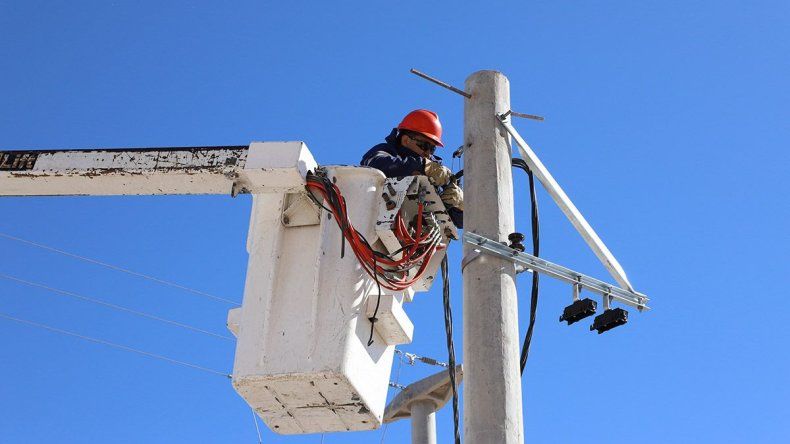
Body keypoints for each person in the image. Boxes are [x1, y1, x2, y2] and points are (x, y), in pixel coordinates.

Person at [360, 109, 463, 228]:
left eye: (432, 149)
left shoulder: (435, 177)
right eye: (425, 146)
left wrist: (459, 206)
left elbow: (457, 222)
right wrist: (422, 165)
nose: (428, 153)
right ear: (405, 140)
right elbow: (375, 165)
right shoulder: (386, 151)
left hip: (417, 241)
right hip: (374, 226)